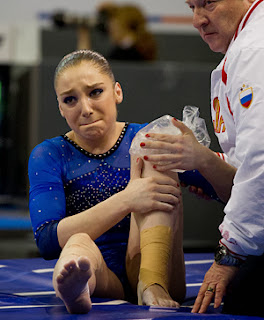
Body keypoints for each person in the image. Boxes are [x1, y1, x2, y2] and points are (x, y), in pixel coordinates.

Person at [28, 49, 185, 314]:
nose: (86, 109)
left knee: (152, 145)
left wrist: (200, 158)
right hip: (100, 272)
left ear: (117, 92)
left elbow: (225, 187)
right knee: (77, 246)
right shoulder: (50, 153)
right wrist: (126, 199)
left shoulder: (144, 136)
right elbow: (46, 239)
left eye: (95, 92)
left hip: (158, 266)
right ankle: (76, 289)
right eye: (70, 100)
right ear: (60, 108)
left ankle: (152, 282)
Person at [138, 0, 264, 317]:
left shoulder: (254, 50)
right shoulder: (241, 51)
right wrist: (207, 162)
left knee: (239, 297)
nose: (197, 20)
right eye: (192, 6)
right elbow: (245, 161)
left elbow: (259, 163)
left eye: (208, 3)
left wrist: (229, 255)